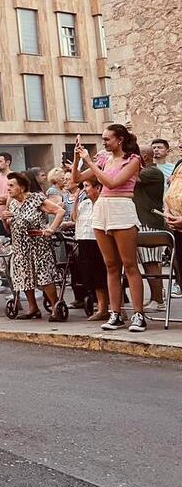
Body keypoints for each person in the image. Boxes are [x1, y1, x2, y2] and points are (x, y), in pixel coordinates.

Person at [73, 124, 146, 332]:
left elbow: (112, 183)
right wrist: (77, 156)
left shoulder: (132, 160)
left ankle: (138, 314)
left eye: (107, 139)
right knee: (110, 265)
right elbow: (77, 179)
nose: (104, 143)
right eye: (103, 139)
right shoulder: (103, 159)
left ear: (120, 139)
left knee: (129, 264)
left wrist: (89, 161)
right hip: (102, 208)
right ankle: (115, 313)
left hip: (121, 206)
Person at [0, 173, 65, 321]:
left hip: (38, 245)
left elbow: (59, 211)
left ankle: (56, 306)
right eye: (7, 185)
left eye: (11, 185)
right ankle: (33, 307)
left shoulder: (36, 198)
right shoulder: (12, 203)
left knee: (44, 276)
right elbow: (10, 229)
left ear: (21, 187)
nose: (8, 189)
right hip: (20, 246)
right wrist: (4, 220)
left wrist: (51, 229)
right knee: (23, 277)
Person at [71, 179, 109, 321]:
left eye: (87, 186)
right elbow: (75, 218)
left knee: (102, 273)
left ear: (97, 187)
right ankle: (101, 307)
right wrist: (75, 201)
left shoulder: (103, 203)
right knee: (91, 275)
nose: (84, 189)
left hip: (98, 241)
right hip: (84, 239)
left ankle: (110, 307)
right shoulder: (84, 204)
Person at [134, 146, 166, 310]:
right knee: (149, 262)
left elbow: (131, 177)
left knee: (151, 262)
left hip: (149, 222)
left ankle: (158, 300)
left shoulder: (151, 172)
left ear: (145, 156)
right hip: (145, 221)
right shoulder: (147, 171)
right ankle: (157, 297)